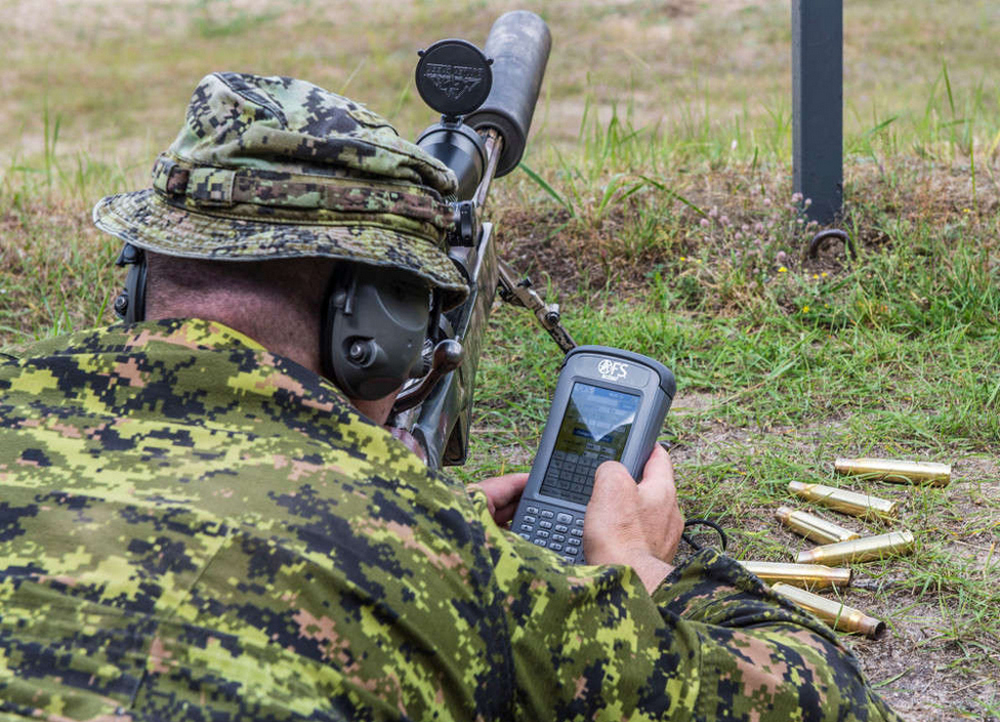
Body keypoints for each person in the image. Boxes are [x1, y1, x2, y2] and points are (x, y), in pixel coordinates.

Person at [0, 72, 899, 722]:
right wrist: (646, 568)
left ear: (139, 276)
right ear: (376, 327)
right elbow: (817, 702)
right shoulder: (436, 554)